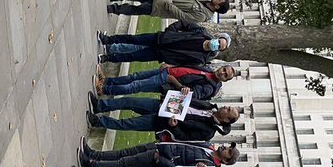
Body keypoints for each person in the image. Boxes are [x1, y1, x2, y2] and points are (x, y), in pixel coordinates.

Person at [88, 98, 240, 139]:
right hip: (163, 106)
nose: (225, 107)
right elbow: (189, 100)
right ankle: (101, 105)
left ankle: (98, 121)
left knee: (127, 123)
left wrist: (174, 126)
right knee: (130, 102)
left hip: (161, 122)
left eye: (228, 110)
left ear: (226, 120)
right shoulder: (209, 106)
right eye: (227, 106)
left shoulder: (208, 132)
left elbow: (185, 136)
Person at [99, 24, 231, 68]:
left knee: (133, 56)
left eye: (219, 46)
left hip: (163, 54)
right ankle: (108, 40)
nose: (217, 44)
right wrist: (170, 30)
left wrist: (170, 65)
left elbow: (183, 65)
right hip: (161, 39)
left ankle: (108, 58)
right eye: (219, 41)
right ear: (217, 37)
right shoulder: (201, 32)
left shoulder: (202, 59)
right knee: (134, 39)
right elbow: (183, 23)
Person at [78, 138, 240, 167]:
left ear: (226, 160)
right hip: (161, 146)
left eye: (228, 151)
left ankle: (91, 164)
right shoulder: (209, 146)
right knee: (124, 152)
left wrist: (160, 160)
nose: (225, 147)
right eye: (228, 146)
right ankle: (93, 154)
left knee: (124, 162)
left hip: (159, 158)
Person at [95, 62, 236, 98]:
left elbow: (190, 93)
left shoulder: (210, 87)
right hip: (167, 71)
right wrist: (171, 66)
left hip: (167, 80)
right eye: (224, 69)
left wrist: (174, 81)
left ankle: (104, 89)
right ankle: (107, 81)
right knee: (135, 76)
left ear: (225, 80)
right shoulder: (209, 71)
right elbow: (188, 68)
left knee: (135, 85)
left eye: (225, 75)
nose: (222, 72)